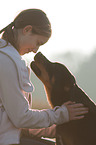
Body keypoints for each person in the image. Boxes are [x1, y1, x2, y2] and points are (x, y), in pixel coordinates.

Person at [0, 9, 88, 145]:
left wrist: (59, 127)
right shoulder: (7, 61)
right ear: (27, 29)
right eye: (38, 43)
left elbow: (14, 122)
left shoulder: (7, 58)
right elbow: (20, 118)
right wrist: (61, 114)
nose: (35, 50)